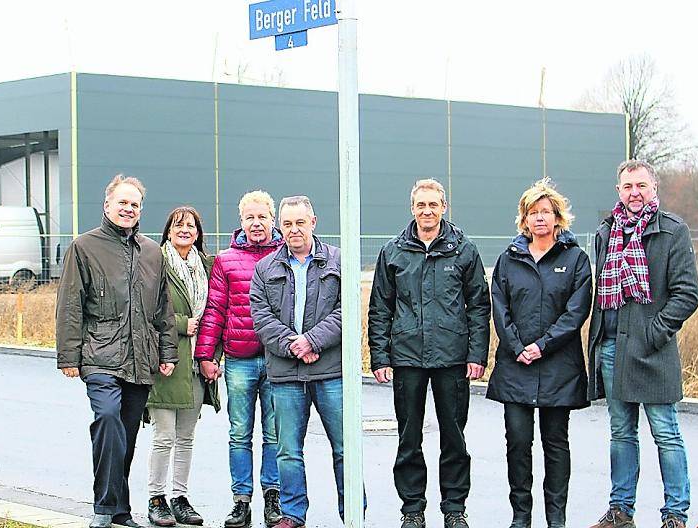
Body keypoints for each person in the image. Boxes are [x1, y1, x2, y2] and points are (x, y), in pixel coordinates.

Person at [367, 178, 491, 528]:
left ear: (444, 207)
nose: (427, 211)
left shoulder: (463, 249)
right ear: (412, 208)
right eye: (421, 205)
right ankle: (412, 509)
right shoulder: (393, 251)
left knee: (454, 436)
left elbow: (479, 306)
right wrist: (380, 356)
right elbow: (380, 308)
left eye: (433, 204)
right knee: (409, 437)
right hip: (407, 358)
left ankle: (454, 508)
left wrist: (476, 354)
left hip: (453, 358)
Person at [56, 174, 178, 528]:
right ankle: (105, 508)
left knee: (126, 434)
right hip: (99, 355)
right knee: (108, 418)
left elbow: (163, 308)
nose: (128, 209)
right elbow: (70, 305)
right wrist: (69, 355)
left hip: (141, 359)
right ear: (107, 204)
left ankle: (119, 512)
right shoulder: (84, 247)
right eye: (122, 202)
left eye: (134, 204)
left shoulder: (153, 252)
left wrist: (167, 353)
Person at [587, 160, 698, 528]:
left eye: (641, 186)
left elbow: (687, 294)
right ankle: (621, 511)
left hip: (653, 351)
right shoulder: (606, 232)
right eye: (627, 187)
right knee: (621, 433)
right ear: (618, 191)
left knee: (665, 433)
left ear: (654, 188)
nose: (634, 193)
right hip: (611, 348)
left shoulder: (672, 231)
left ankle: (675, 515)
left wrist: (654, 333)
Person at [485, 178, 593, 528]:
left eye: (546, 212)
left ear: (558, 217)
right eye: (533, 212)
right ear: (524, 219)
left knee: (556, 444)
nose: (540, 218)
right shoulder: (508, 259)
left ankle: (556, 518)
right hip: (515, 366)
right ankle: (521, 517)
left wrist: (542, 345)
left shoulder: (576, 260)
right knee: (517, 443)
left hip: (559, 367)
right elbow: (498, 308)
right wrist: (518, 346)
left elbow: (576, 312)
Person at [250, 195, 356, 528]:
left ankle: (353, 511)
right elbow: (261, 317)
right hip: (285, 374)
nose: (294, 230)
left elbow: (346, 310)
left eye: (300, 222)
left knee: (344, 448)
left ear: (313, 222)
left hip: (330, 371)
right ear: (280, 227)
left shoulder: (338, 262)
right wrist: (293, 346)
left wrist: (312, 340)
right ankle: (293, 514)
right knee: (288, 451)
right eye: (287, 224)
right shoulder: (264, 268)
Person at [194, 190, 284, 527]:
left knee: (276, 434)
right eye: (250, 217)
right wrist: (206, 354)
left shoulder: (286, 254)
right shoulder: (225, 261)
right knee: (239, 432)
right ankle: (241, 500)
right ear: (241, 220)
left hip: (278, 360)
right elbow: (215, 309)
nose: (256, 223)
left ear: (272, 219)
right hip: (239, 360)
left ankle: (273, 496)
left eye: (262, 217)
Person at [144, 206, 222, 527]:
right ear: (168, 231)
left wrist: (212, 358)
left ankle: (180, 497)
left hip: (196, 363)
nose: (185, 230)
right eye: (178, 225)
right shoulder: (156, 263)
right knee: (164, 436)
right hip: (166, 360)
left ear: (199, 232)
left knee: (186, 436)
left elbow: (217, 312)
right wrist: (180, 323)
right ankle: (156, 498)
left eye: (191, 225)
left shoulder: (206, 266)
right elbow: (144, 310)